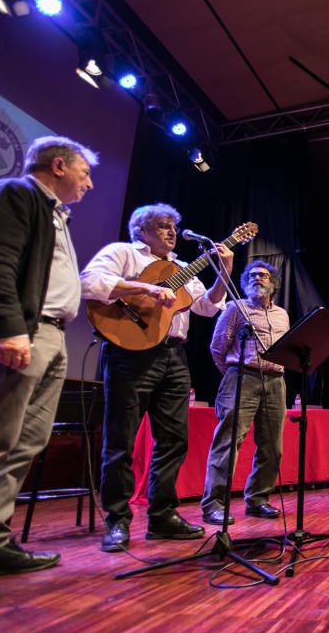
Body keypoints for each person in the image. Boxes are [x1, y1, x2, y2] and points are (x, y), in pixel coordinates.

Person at [0, 136, 96, 605]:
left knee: (23, 443)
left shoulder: (53, 213)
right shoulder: (14, 193)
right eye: (84, 173)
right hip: (18, 334)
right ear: (58, 165)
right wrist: (9, 328)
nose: (89, 184)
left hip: (48, 335)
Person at [81, 203, 233, 553]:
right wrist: (145, 290)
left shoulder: (181, 267)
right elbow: (90, 282)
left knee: (174, 440)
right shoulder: (122, 252)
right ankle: (117, 522)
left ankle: (162, 516)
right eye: (163, 226)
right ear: (142, 230)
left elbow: (207, 307)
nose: (171, 233)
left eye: (174, 227)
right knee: (120, 440)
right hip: (129, 353)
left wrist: (224, 270)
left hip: (173, 356)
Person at [200, 261, 289, 524]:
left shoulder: (282, 314)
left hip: (275, 381)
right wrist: (234, 374)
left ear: (273, 282)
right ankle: (214, 504)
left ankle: (258, 499)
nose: (257, 279)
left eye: (263, 275)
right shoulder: (235, 308)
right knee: (228, 443)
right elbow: (217, 348)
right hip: (241, 377)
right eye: (251, 276)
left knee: (272, 447)